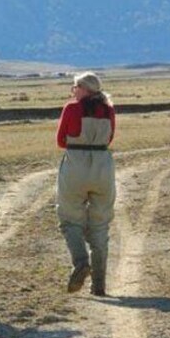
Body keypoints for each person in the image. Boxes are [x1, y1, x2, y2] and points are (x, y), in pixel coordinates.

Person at [56, 72, 116, 296]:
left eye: (75, 87)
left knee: (69, 218)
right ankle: (99, 284)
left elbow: (61, 140)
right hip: (103, 167)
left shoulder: (72, 108)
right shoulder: (108, 110)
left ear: (84, 88)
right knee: (101, 224)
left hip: (76, 166)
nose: (73, 91)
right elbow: (110, 139)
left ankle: (81, 263)